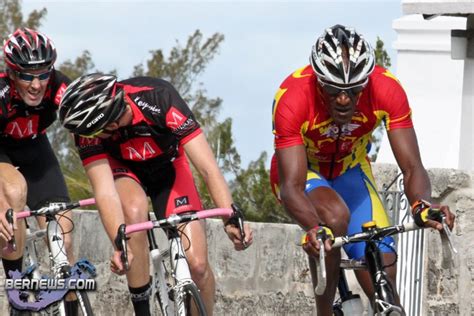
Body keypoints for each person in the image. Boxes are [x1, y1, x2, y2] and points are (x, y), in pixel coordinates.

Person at [270, 24, 455, 315]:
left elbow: (411, 166)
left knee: (382, 268)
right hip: (303, 172)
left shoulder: (387, 89)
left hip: (351, 170)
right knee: (334, 216)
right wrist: (315, 229)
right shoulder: (292, 96)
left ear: (366, 82)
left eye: (354, 90)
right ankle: (324, 311)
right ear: (319, 81)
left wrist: (422, 203)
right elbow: (291, 187)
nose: (344, 99)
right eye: (333, 89)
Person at [58, 73, 253, 315]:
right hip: (124, 171)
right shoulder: (87, 129)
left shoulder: (159, 97)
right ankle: (142, 309)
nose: (90, 137)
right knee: (133, 210)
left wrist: (230, 219)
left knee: (198, 266)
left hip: (169, 168)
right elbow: (105, 191)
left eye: (95, 131)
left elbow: (207, 167)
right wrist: (119, 244)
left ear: (110, 120)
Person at [0, 28, 79, 313]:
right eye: (27, 75)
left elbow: (84, 130)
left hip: (35, 150)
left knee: (64, 238)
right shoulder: (2, 93)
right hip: (2, 153)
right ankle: (16, 291)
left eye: (44, 74)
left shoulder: (59, 86)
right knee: (13, 192)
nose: (36, 84)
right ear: (11, 73)